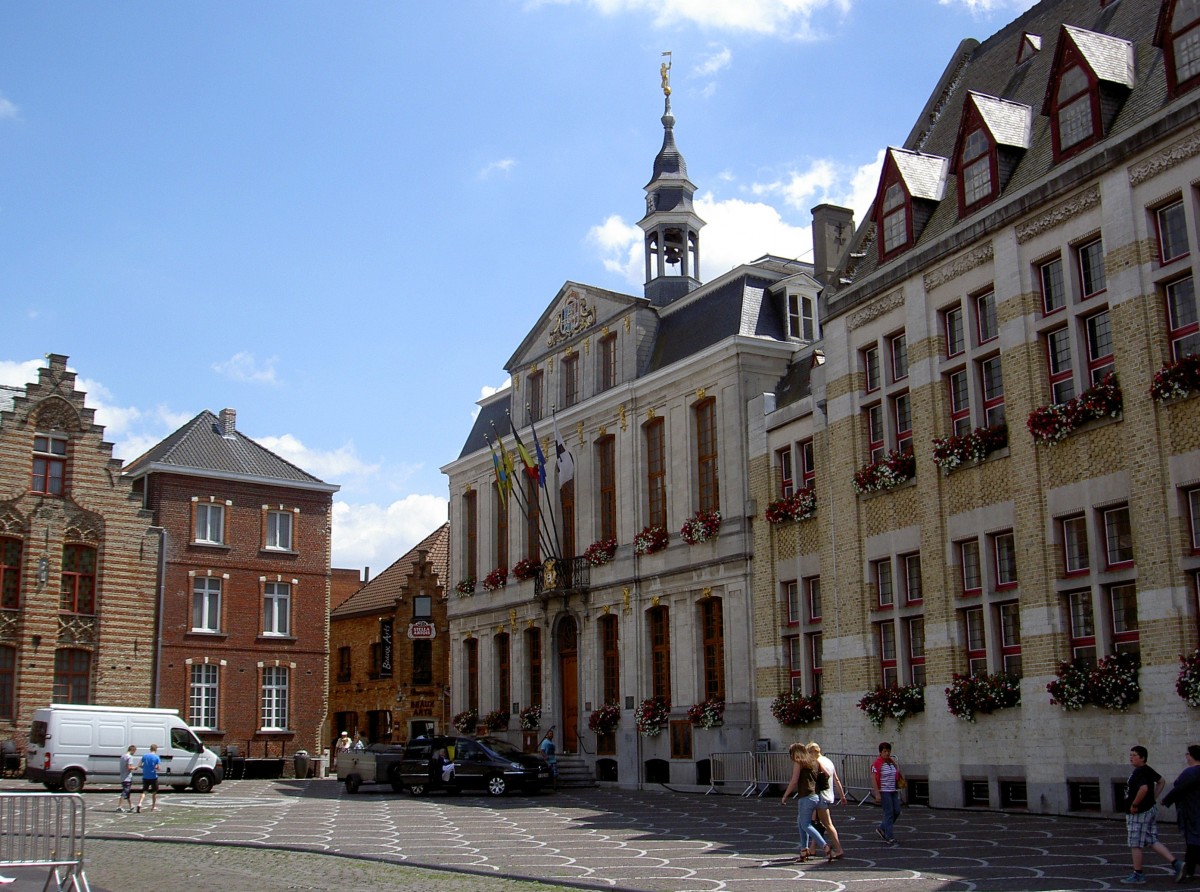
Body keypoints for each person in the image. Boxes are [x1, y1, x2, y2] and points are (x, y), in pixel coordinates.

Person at [1121, 745, 1184, 884]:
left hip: (1139, 813)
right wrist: (1152, 798)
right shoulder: (1147, 770)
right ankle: (1177, 863)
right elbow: (1161, 781)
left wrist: (1135, 804)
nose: (1131, 757)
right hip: (1148, 809)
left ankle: (1138, 874)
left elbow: (1143, 788)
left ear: (1142, 758)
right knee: (1151, 840)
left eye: (1134, 755)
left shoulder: (1139, 772)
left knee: (1135, 843)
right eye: (1130, 755)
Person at [780, 741, 832, 862]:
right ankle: (804, 850)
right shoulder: (815, 760)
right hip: (817, 796)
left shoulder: (799, 762)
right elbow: (827, 774)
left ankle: (825, 846)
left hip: (806, 796)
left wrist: (785, 795)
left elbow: (794, 781)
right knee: (800, 822)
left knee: (805, 824)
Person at [1162, 744, 1200, 883]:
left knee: (1193, 842)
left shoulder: (1190, 773)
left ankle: (1188, 870)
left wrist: (1166, 800)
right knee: (1194, 843)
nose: (1186, 756)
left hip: (1192, 811)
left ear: (1192, 756)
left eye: (1187, 754)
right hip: (1194, 810)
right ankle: (1189, 869)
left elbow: (1178, 788)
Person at [808, 741, 846, 859]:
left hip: (821, 796)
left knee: (827, 824)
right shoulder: (828, 760)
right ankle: (812, 848)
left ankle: (839, 849)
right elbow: (836, 779)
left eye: (808, 753)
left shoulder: (818, 762)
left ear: (813, 752)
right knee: (818, 823)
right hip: (828, 795)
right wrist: (842, 795)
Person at [871, 741, 904, 846]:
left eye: (888, 751)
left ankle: (882, 828)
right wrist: (877, 793)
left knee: (897, 811)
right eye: (885, 751)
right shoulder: (877, 763)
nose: (887, 753)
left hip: (893, 790)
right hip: (884, 791)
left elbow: (896, 773)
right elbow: (874, 779)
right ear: (880, 752)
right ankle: (889, 836)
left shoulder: (891, 762)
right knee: (889, 813)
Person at [136, 743, 161, 813]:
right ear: (156, 749)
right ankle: (153, 807)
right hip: (153, 776)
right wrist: (155, 767)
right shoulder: (156, 757)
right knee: (154, 792)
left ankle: (139, 803)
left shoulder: (145, 756)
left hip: (145, 776)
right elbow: (158, 767)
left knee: (144, 791)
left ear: (150, 748)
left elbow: (139, 765)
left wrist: (145, 767)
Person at [117, 744, 138, 813]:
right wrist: (134, 768)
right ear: (132, 750)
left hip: (123, 776)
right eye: (134, 751)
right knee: (125, 792)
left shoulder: (123, 756)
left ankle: (131, 806)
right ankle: (120, 806)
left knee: (127, 792)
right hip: (127, 777)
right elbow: (129, 767)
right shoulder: (129, 757)